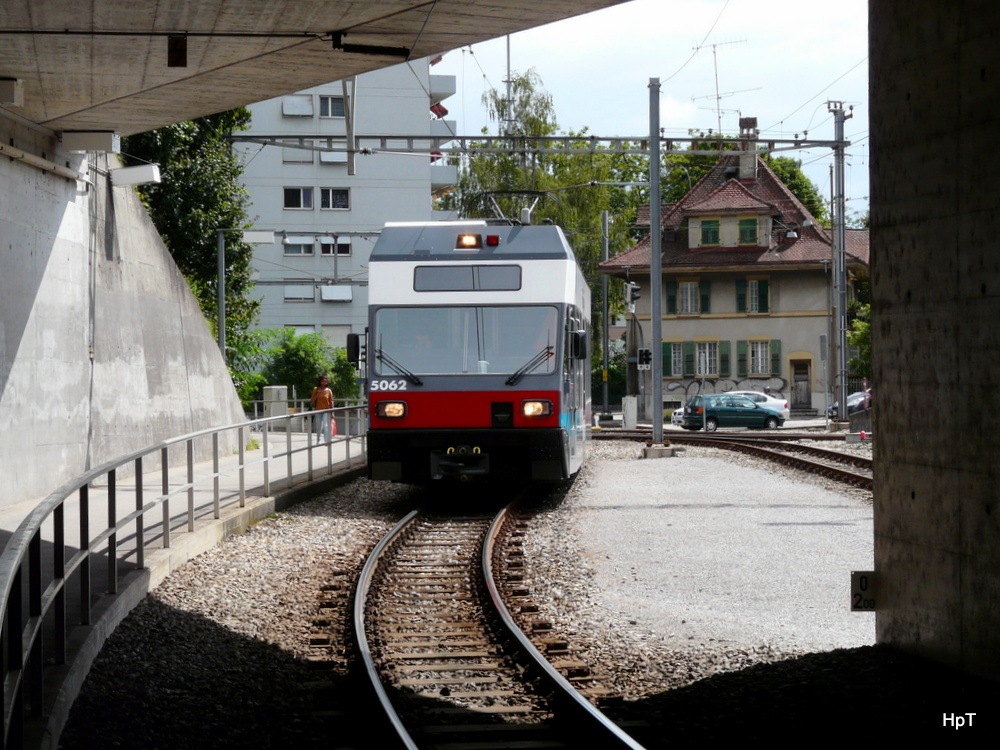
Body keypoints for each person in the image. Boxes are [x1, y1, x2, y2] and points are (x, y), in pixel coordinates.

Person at [310, 375, 334, 443]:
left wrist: (332, 413)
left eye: (326, 381)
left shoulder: (329, 391)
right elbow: (312, 400)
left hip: (326, 410)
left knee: (325, 425)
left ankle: (326, 440)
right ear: (320, 381)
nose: (324, 383)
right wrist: (318, 393)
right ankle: (318, 439)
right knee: (318, 425)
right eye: (323, 381)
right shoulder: (316, 389)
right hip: (318, 410)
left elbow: (331, 402)